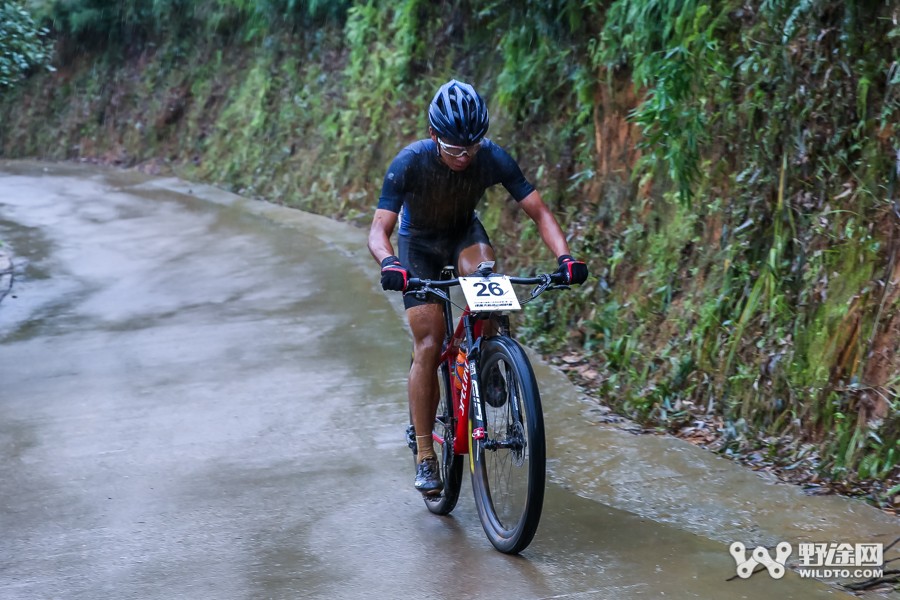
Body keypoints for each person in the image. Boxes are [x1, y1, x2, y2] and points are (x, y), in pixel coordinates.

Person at [367, 79, 588, 495]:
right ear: (434, 136)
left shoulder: (490, 157)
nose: (464, 157)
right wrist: (390, 262)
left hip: (463, 233)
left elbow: (538, 212)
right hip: (418, 246)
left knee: (487, 279)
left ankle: (489, 354)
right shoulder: (409, 162)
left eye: (472, 147)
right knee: (430, 343)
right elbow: (379, 229)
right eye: (454, 149)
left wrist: (566, 258)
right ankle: (425, 456)